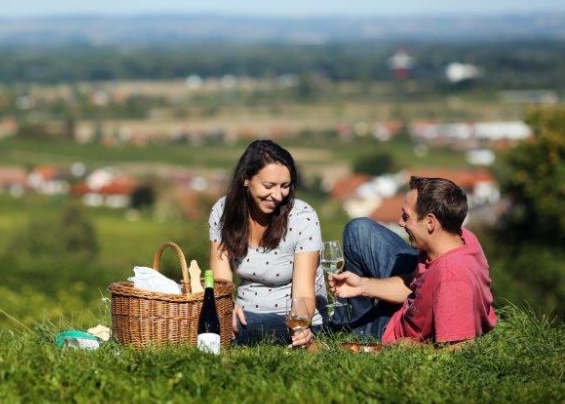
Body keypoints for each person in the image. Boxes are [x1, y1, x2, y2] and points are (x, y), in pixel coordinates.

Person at [329, 176, 497, 347]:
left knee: (330, 331)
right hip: (410, 308)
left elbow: (459, 347)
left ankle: (352, 334)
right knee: (358, 230)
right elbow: (415, 284)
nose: (400, 222)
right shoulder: (459, 237)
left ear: (430, 222)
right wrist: (363, 286)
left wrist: (410, 346)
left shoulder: (452, 278)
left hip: (390, 332)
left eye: (406, 216)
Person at [209, 139, 327, 348]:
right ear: (247, 179)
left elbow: (303, 295)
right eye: (268, 186)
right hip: (243, 314)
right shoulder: (223, 212)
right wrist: (227, 307)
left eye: (285, 186)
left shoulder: (303, 218)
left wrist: (299, 325)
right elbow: (221, 283)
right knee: (212, 318)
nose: (278, 195)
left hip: (290, 319)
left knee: (230, 329)